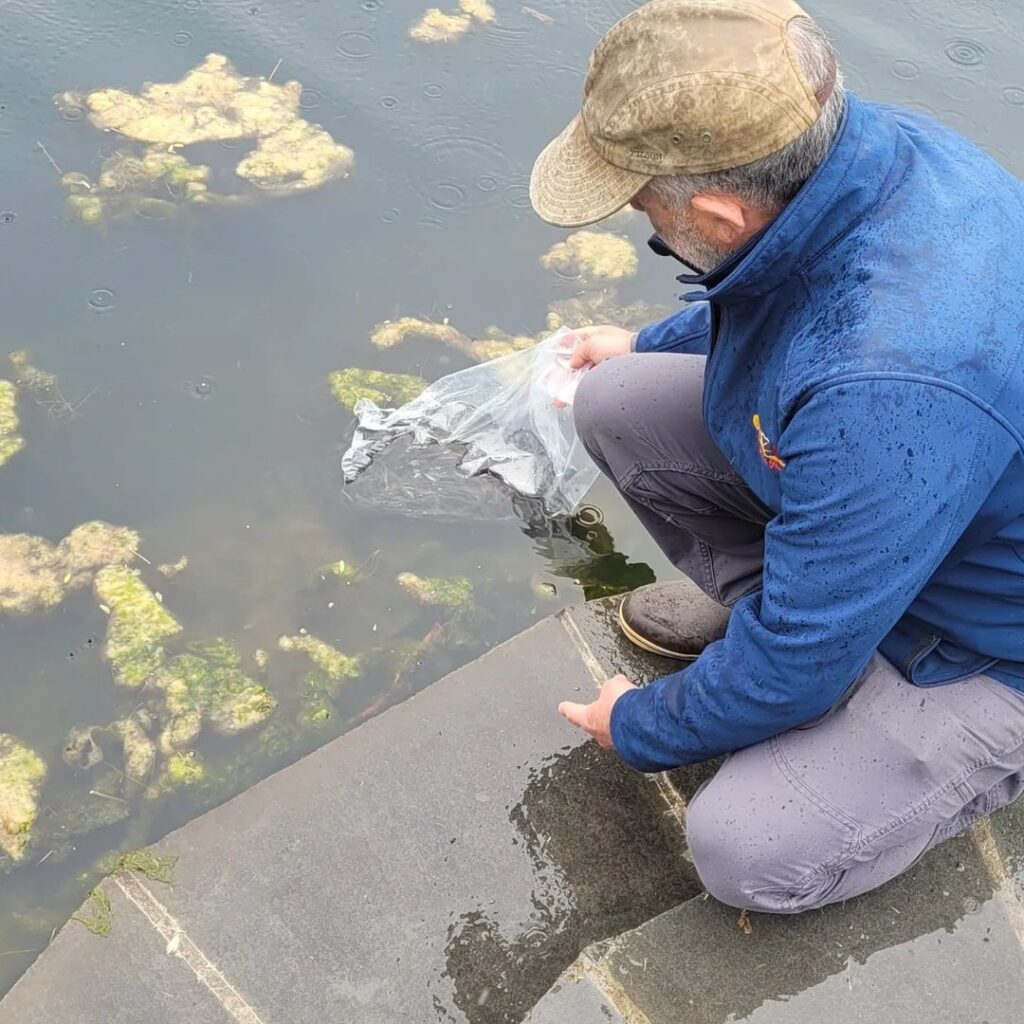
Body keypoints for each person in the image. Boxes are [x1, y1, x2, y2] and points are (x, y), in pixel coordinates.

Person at [533, 0, 1024, 913]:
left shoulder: (888, 382)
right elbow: (779, 290)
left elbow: (859, 375)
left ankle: (937, 733)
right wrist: (649, 337)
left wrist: (637, 725)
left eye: (647, 212)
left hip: (990, 642)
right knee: (620, 399)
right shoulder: (860, 150)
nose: (645, 224)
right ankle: (805, 626)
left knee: (746, 853)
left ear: (717, 210)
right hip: (914, 494)